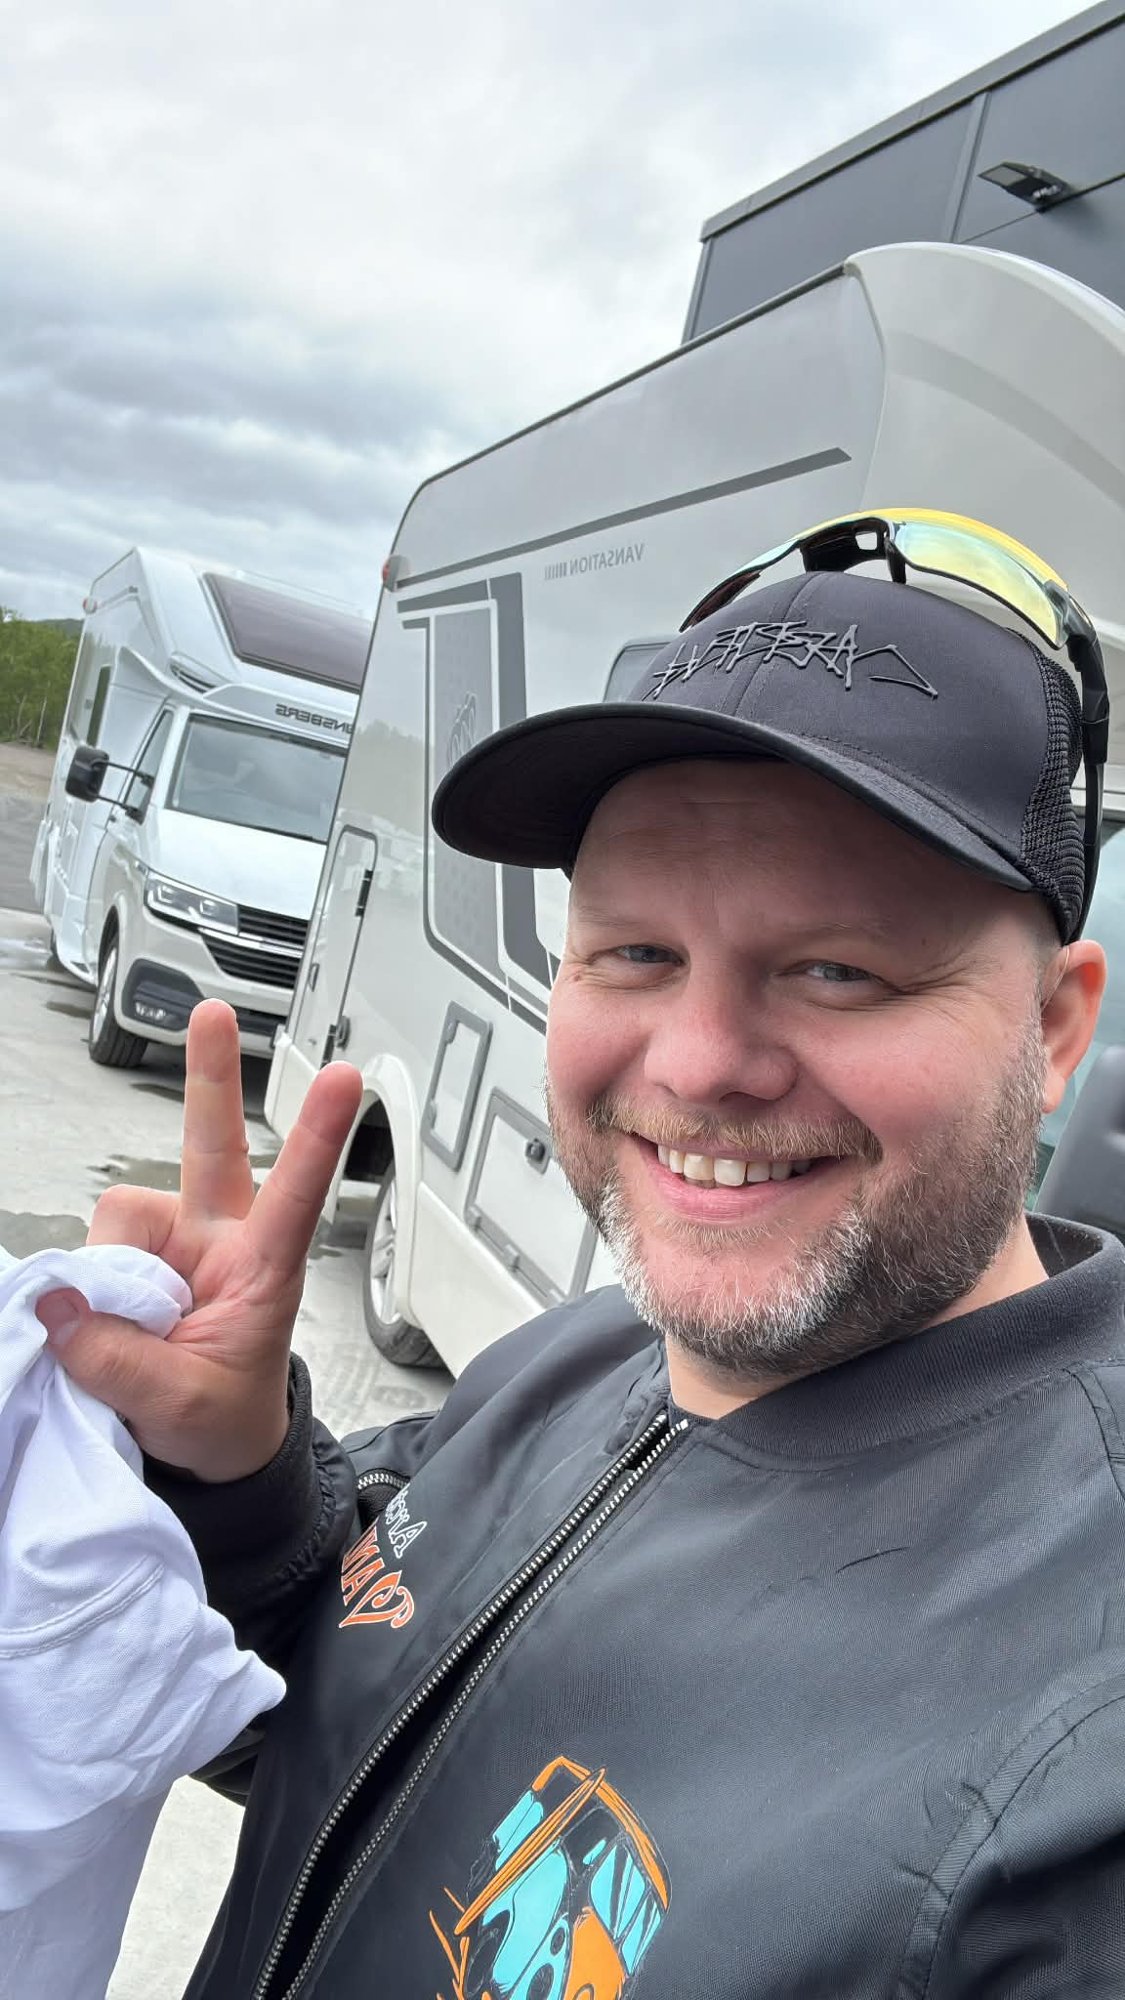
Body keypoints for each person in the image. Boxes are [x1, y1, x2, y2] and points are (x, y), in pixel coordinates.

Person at [36, 516, 1125, 1998]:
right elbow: (339, 1746)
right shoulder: (573, 1362)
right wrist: (239, 1476)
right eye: (635, 954)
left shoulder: (1078, 1769)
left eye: (838, 969)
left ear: (1053, 1029)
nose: (699, 1061)